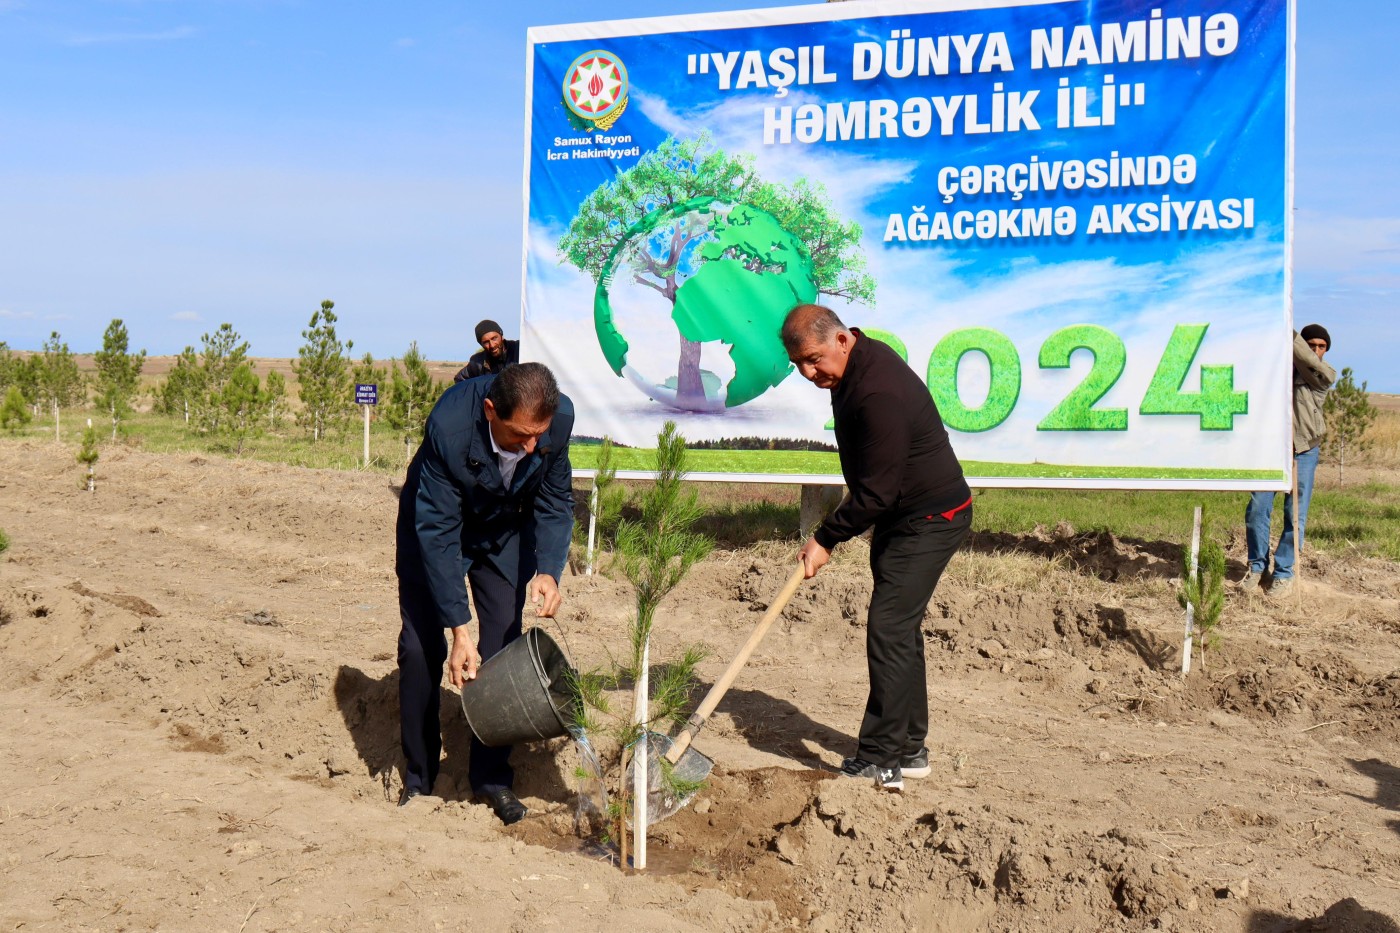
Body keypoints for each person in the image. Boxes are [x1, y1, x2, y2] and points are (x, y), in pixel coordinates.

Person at [782, 304, 972, 791]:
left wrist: (825, 537)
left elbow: (876, 492)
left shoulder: (878, 388)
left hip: (931, 518)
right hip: (902, 515)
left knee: (888, 627)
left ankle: (882, 758)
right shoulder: (852, 367)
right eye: (798, 364)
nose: (808, 372)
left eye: (812, 359)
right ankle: (909, 748)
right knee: (899, 630)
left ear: (842, 341)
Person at [395, 362, 574, 824]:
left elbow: (555, 500)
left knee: (502, 645)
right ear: (491, 411)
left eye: (540, 435)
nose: (533, 445)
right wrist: (458, 627)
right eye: (521, 436)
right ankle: (419, 778)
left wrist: (550, 570)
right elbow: (438, 530)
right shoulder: (450, 427)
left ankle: (491, 778)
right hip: (434, 531)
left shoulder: (556, 420)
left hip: (502, 531)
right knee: (421, 648)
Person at [1243, 324, 1336, 596]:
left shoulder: (1322, 374)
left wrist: (1290, 331)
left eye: (1321, 346)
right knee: (1257, 509)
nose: (1316, 350)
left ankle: (1284, 573)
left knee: (1295, 515)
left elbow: (1308, 361)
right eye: (1312, 345)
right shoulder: (1277, 371)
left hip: (1304, 450)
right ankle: (1258, 567)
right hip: (1271, 450)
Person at [454, 319, 520, 382]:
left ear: (502, 336)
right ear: (481, 344)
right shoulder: (477, 362)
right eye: (486, 342)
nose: (492, 345)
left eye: (494, 338)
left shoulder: (519, 349)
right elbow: (460, 379)